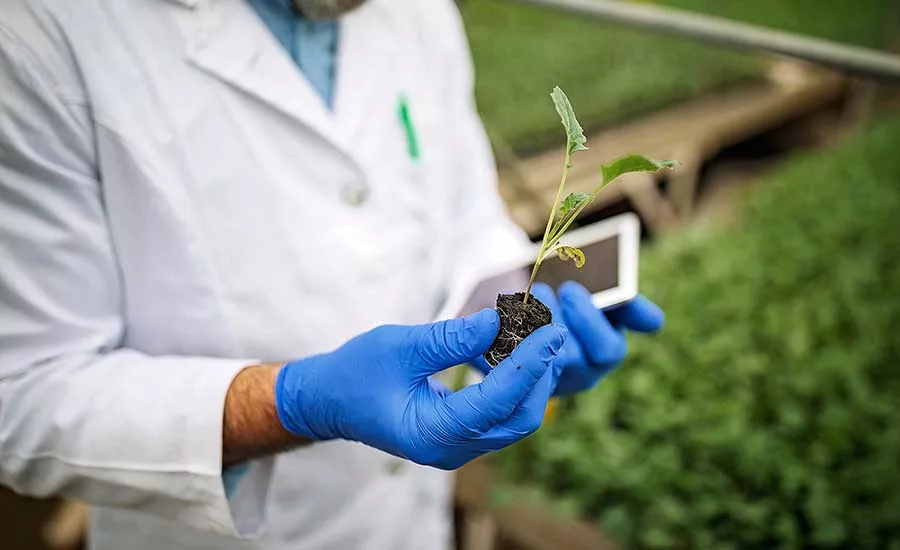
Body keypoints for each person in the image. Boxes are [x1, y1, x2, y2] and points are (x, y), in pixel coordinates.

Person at [0, 0, 664, 548]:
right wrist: (295, 401)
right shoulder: (40, 32)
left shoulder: (418, 12)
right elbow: (24, 392)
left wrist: (507, 312)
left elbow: (462, 213)